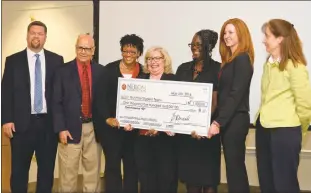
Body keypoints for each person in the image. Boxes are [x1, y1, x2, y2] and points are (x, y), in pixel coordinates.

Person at [1, 21, 64, 193]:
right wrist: (6, 120)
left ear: (45, 37)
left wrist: (61, 124)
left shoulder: (56, 60)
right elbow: (5, 92)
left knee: (46, 173)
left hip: (48, 125)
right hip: (21, 126)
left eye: (40, 33)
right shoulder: (13, 60)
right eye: (33, 33)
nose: (36, 36)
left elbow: (60, 94)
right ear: (27, 35)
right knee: (19, 173)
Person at [254, 19, 311, 193]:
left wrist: (298, 130)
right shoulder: (268, 64)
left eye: (267, 36)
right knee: (267, 182)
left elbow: (305, 103)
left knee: (284, 185)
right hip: (264, 129)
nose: (264, 40)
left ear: (280, 39)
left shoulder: (296, 66)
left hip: (286, 131)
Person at [52, 34, 104, 193]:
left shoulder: (101, 71)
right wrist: (61, 128)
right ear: (75, 48)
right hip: (69, 129)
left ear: (93, 50)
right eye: (80, 48)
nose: (83, 51)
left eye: (87, 48)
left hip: (94, 130)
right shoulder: (62, 71)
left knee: (92, 175)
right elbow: (55, 102)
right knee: (68, 176)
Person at [207, 18, 254, 193]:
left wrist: (218, 122)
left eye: (231, 32)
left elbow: (235, 95)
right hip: (230, 121)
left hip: (236, 120)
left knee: (235, 170)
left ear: (241, 34)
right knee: (233, 169)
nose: (226, 36)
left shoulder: (242, 58)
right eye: (224, 33)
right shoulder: (230, 60)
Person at [96, 34, 145, 193]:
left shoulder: (144, 73)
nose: (128, 55)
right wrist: (107, 118)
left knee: (132, 167)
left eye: (132, 52)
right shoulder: (109, 70)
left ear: (139, 53)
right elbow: (100, 98)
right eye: (125, 51)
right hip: (112, 130)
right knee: (112, 167)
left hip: (135, 131)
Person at [175, 29, 221, 193]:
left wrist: (200, 126)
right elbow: (176, 99)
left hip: (207, 135)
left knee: (208, 183)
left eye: (199, 45)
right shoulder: (183, 69)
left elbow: (215, 103)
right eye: (192, 44)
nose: (194, 48)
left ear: (209, 47)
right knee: (191, 182)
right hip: (187, 137)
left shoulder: (218, 69)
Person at [134, 46, 177, 193]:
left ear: (164, 61)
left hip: (165, 140)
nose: (153, 62)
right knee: (146, 179)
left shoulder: (173, 80)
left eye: (157, 58)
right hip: (143, 139)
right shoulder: (140, 80)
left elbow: (176, 109)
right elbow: (134, 107)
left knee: (165, 179)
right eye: (150, 58)